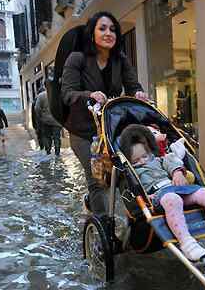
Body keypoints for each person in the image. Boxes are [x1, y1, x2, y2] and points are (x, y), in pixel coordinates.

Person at [61, 11, 148, 215]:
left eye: (113, 29)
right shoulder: (77, 58)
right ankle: (102, 228)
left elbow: (133, 86)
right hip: (83, 131)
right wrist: (89, 95)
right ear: (92, 34)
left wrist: (139, 94)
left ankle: (136, 221)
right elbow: (67, 93)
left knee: (126, 173)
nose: (109, 33)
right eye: (102, 28)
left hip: (111, 127)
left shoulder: (121, 59)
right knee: (98, 180)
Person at [119, 124, 205, 261]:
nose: (142, 161)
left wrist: (177, 172)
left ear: (150, 151)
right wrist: (145, 197)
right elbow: (133, 190)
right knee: (173, 200)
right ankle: (186, 242)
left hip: (179, 188)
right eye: (136, 161)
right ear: (130, 162)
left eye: (145, 156)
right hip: (159, 196)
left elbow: (171, 162)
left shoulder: (160, 160)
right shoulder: (133, 173)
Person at [36, 86, 62, 156]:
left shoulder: (41, 95)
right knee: (57, 137)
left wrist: (40, 117)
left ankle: (48, 152)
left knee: (47, 137)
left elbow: (37, 108)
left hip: (46, 121)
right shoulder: (58, 94)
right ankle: (57, 153)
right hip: (57, 121)